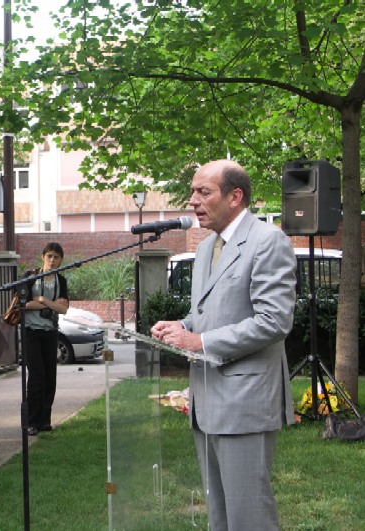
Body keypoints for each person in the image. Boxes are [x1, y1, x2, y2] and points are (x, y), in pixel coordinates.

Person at [150, 160, 297, 530]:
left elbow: (274, 321)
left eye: (203, 192)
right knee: (220, 516)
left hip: (245, 401)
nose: (192, 201)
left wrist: (199, 340)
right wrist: (181, 326)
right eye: (192, 192)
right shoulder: (204, 250)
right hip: (207, 400)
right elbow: (209, 314)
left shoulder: (268, 241)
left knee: (249, 516)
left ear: (235, 196)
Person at [21, 242, 69, 436]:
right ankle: (31, 421)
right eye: (49, 256)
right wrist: (50, 305)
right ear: (43, 257)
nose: (52, 260)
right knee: (36, 376)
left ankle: (45, 421)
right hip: (31, 331)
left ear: (61, 260)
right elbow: (23, 304)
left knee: (50, 377)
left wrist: (42, 301)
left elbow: (64, 309)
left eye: (56, 257)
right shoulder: (31, 277)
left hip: (50, 332)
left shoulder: (61, 281)